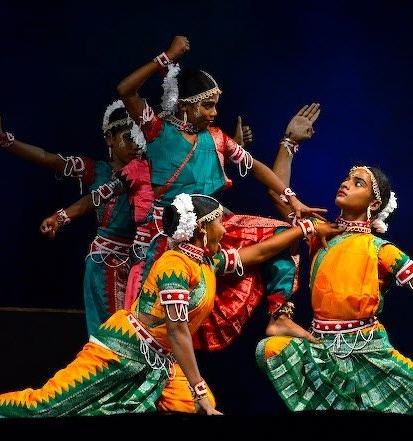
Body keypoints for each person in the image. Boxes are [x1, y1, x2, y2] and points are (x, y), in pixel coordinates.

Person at [0, 193, 342, 417]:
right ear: (201, 228)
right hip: (120, 350)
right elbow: (179, 331)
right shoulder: (175, 264)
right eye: (218, 218)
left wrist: (304, 228)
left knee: (194, 416)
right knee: (48, 405)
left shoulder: (207, 261)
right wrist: (199, 388)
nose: (224, 223)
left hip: (159, 362)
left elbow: (257, 254)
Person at [116, 35, 327, 351]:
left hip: (212, 230)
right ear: (186, 105)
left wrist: (293, 199)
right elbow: (125, 90)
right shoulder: (157, 129)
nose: (215, 112)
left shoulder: (217, 138)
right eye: (208, 105)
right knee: (152, 332)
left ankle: (280, 314)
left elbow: (255, 167)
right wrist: (166, 57)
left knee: (285, 235)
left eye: (216, 105)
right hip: (166, 238)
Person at [256, 157, 413, 415]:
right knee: (270, 350)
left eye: (357, 183)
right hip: (321, 348)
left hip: (368, 350)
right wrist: (289, 144)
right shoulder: (322, 234)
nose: (346, 184)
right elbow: (276, 192)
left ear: (374, 204)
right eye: (347, 179)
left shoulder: (381, 251)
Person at [0, 98, 153, 335]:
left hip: (141, 264)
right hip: (106, 264)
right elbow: (48, 158)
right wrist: (2, 139)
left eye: (139, 138)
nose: (136, 145)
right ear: (109, 139)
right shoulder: (97, 171)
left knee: (143, 339)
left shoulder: (150, 172)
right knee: (114, 339)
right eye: (128, 137)